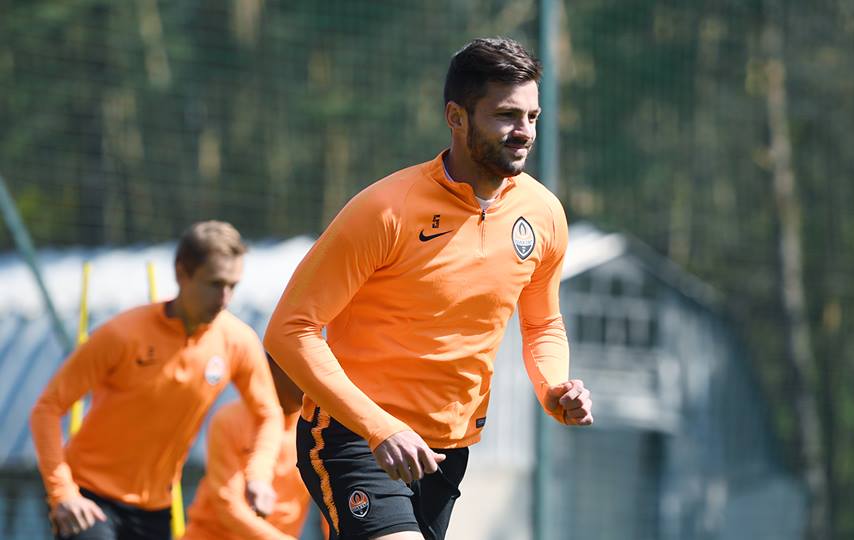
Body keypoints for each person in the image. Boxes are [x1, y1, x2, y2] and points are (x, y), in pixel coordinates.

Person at [264, 37, 593, 540]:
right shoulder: (385, 210)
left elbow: (543, 323)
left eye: (532, 116)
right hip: (355, 436)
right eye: (506, 116)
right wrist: (379, 427)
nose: (524, 132)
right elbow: (290, 330)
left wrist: (554, 387)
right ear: (456, 117)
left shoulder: (543, 214)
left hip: (445, 450)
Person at [31, 221, 284, 540]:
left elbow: (269, 413)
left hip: (156, 508)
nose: (225, 298)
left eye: (233, 286)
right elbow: (47, 408)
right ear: (181, 273)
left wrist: (258, 475)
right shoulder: (121, 335)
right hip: (89, 498)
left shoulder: (237, 341)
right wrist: (63, 493)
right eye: (215, 284)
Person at [182, 355, 326, 540]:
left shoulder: (318, 430)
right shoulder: (229, 420)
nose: (310, 379)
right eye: (300, 369)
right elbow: (228, 504)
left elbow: (332, 505)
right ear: (271, 368)